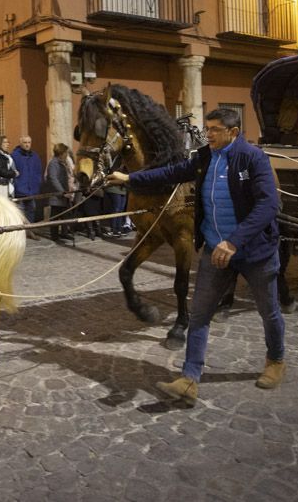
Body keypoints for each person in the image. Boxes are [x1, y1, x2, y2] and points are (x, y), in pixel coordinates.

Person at [107, 108, 285, 405]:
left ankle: (276, 360)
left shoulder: (253, 158)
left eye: (215, 129)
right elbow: (171, 172)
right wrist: (130, 178)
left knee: (269, 311)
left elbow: (269, 205)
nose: (209, 134)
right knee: (200, 315)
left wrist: (235, 242)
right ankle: (189, 380)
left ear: (234, 132)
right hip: (216, 251)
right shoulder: (204, 158)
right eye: (208, 128)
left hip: (254, 252)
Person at [43, 143, 75, 244]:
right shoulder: (53, 163)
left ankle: (64, 232)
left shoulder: (62, 162)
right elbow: (53, 179)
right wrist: (62, 192)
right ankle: (55, 236)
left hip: (64, 194)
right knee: (56, 216)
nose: (67, 154)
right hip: (57, 196)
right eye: (65, 152)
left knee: (65, 215)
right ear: (61, 153)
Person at [12, 135, 42, 223]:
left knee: (31, 210)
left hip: (31, 190)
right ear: (20, 143)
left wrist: (37, 183)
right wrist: (16, 185)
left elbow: (38, 171)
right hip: (19, 190)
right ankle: (21, 232)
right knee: (20, 212)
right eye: (25, 142)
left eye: (29, 142)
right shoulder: (14, 155)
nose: (27, 145)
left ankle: (29, 231)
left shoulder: (35, 156)